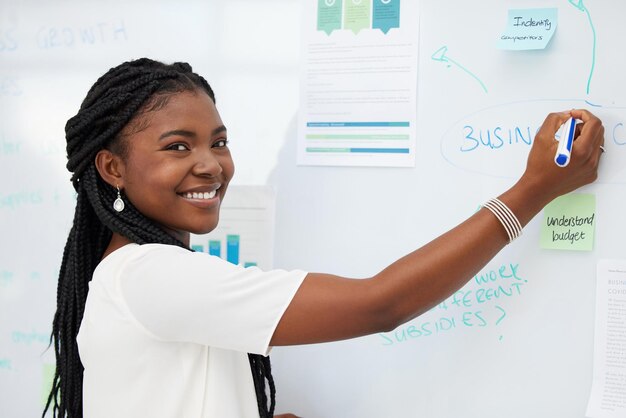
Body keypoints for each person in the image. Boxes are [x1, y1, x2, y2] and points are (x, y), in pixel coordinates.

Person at [44, 58, 604, 418]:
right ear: (112, 169)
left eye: (218, 142)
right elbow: (381, 304)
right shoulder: (152, 275)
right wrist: (534, 189)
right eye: (178, 146)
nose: (211, 165)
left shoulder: (134, 274)